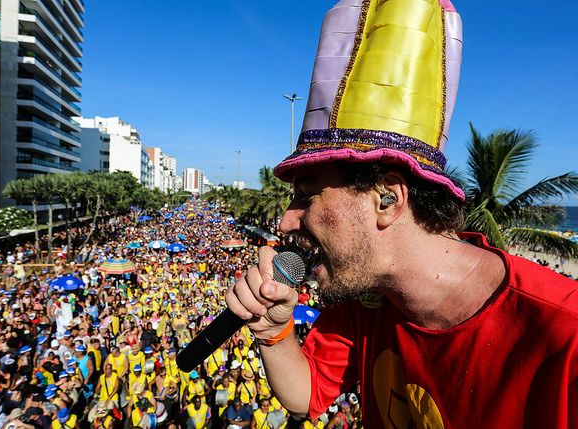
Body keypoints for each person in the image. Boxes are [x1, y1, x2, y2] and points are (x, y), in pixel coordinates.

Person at [225, 0, 578, 427]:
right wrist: (274, 332)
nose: (285, 220)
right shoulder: (371, 298)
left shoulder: (564, 337)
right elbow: (308, 395)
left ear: (388, 199)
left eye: (307, 196)